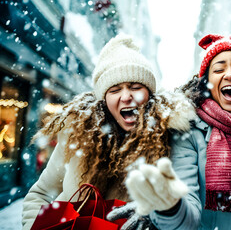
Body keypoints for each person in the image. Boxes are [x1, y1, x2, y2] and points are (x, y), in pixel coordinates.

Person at [21, 34, 196, 230]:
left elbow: (188, 213)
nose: (126, 96)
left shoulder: (173, 138)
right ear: (104, 99)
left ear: (149, 94)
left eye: (135, 87)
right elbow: (41, 194)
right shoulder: (76, 134)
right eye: (115, 90)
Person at [122, 34, 231, 229]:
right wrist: (170, 206)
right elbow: (188, 220)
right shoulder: (188, 132)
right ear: (206, 82)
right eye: (219, 69)